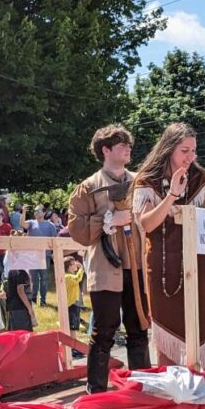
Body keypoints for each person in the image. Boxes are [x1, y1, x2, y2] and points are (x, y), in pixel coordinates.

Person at [133, 122, 205, 369]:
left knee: (202, 321)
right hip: (163, 265)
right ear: (169, 149)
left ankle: (202, 387)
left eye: (194, 150)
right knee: (167, 331)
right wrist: (172, 196)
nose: (191, 156)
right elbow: (146, 224)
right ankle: (171, 391)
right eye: (185, 150)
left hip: (198, 264)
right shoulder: (148, 180)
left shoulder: (201, 177)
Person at [68, 124, 151, 393]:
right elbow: (77, 230)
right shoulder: (88, 187)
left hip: (136, 264)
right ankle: (97, 392)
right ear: (106, 150)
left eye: (129, 145)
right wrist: (107, 220)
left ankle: (144, 388)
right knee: (104, 330)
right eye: (121, 145)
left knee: (139, 326)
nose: (128, 149)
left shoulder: (140, 182)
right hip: (105, 268)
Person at [25, 207, 58, 306]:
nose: (36, 212)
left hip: (45, 256)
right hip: (32, 256)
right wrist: (23, 213)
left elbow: (54, 241)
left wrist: (53, 254)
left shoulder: (51, 226)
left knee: (44, 279)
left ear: (44, 213)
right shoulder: (31, 223)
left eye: (38, 210)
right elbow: (23, 224)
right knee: (33, 278)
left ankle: (43, 300)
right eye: (35, 210)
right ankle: (34, 298)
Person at [64, 257, 86, 355]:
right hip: (71, 304)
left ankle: (74, 347)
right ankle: (73, 348)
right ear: (68, 267)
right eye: (73, 264)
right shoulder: (67, 276)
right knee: (72, 328)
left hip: (74, 303)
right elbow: (78, 278)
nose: (75, 265)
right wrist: (81, 268)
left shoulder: (70, 275)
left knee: (74, 328)